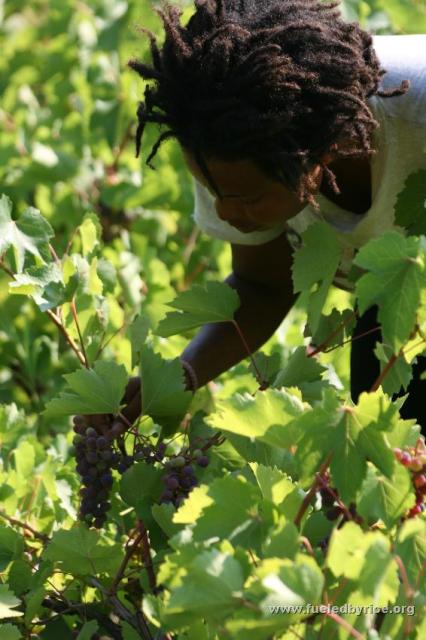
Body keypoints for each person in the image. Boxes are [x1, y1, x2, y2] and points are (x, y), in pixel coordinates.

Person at [124, 0, 425, 428]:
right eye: (215, 192)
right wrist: (178, 378)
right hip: (396, 298)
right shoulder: (224, 142)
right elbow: (262, 283)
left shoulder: (417, 119)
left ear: (326, 152)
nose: (226, 213)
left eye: (247, 199)